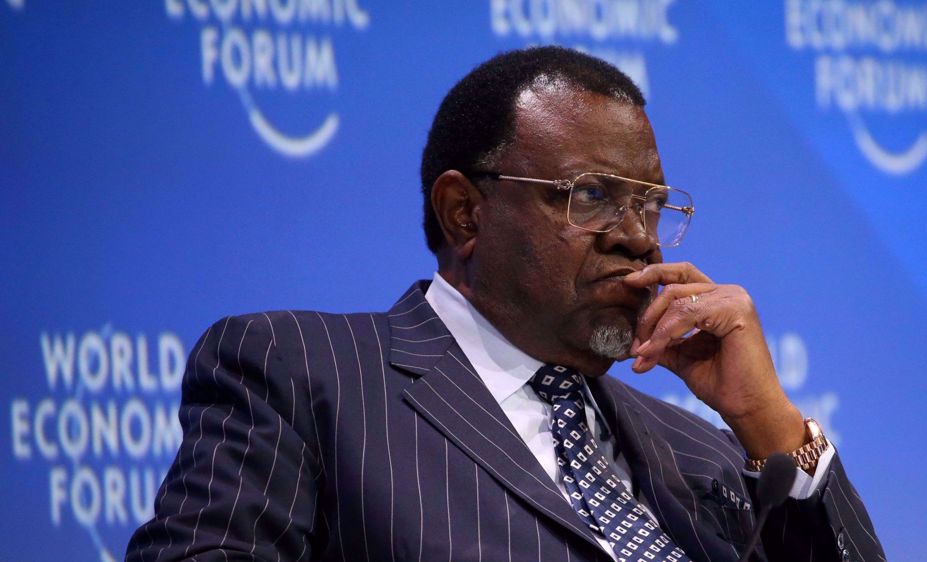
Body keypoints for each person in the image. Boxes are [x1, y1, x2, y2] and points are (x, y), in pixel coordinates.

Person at [127, 46, 884, 562]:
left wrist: (768, 422)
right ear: (465, 213)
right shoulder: (305, 375)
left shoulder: (703, 455)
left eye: (651, 204)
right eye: (592, 195)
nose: (639, 239)